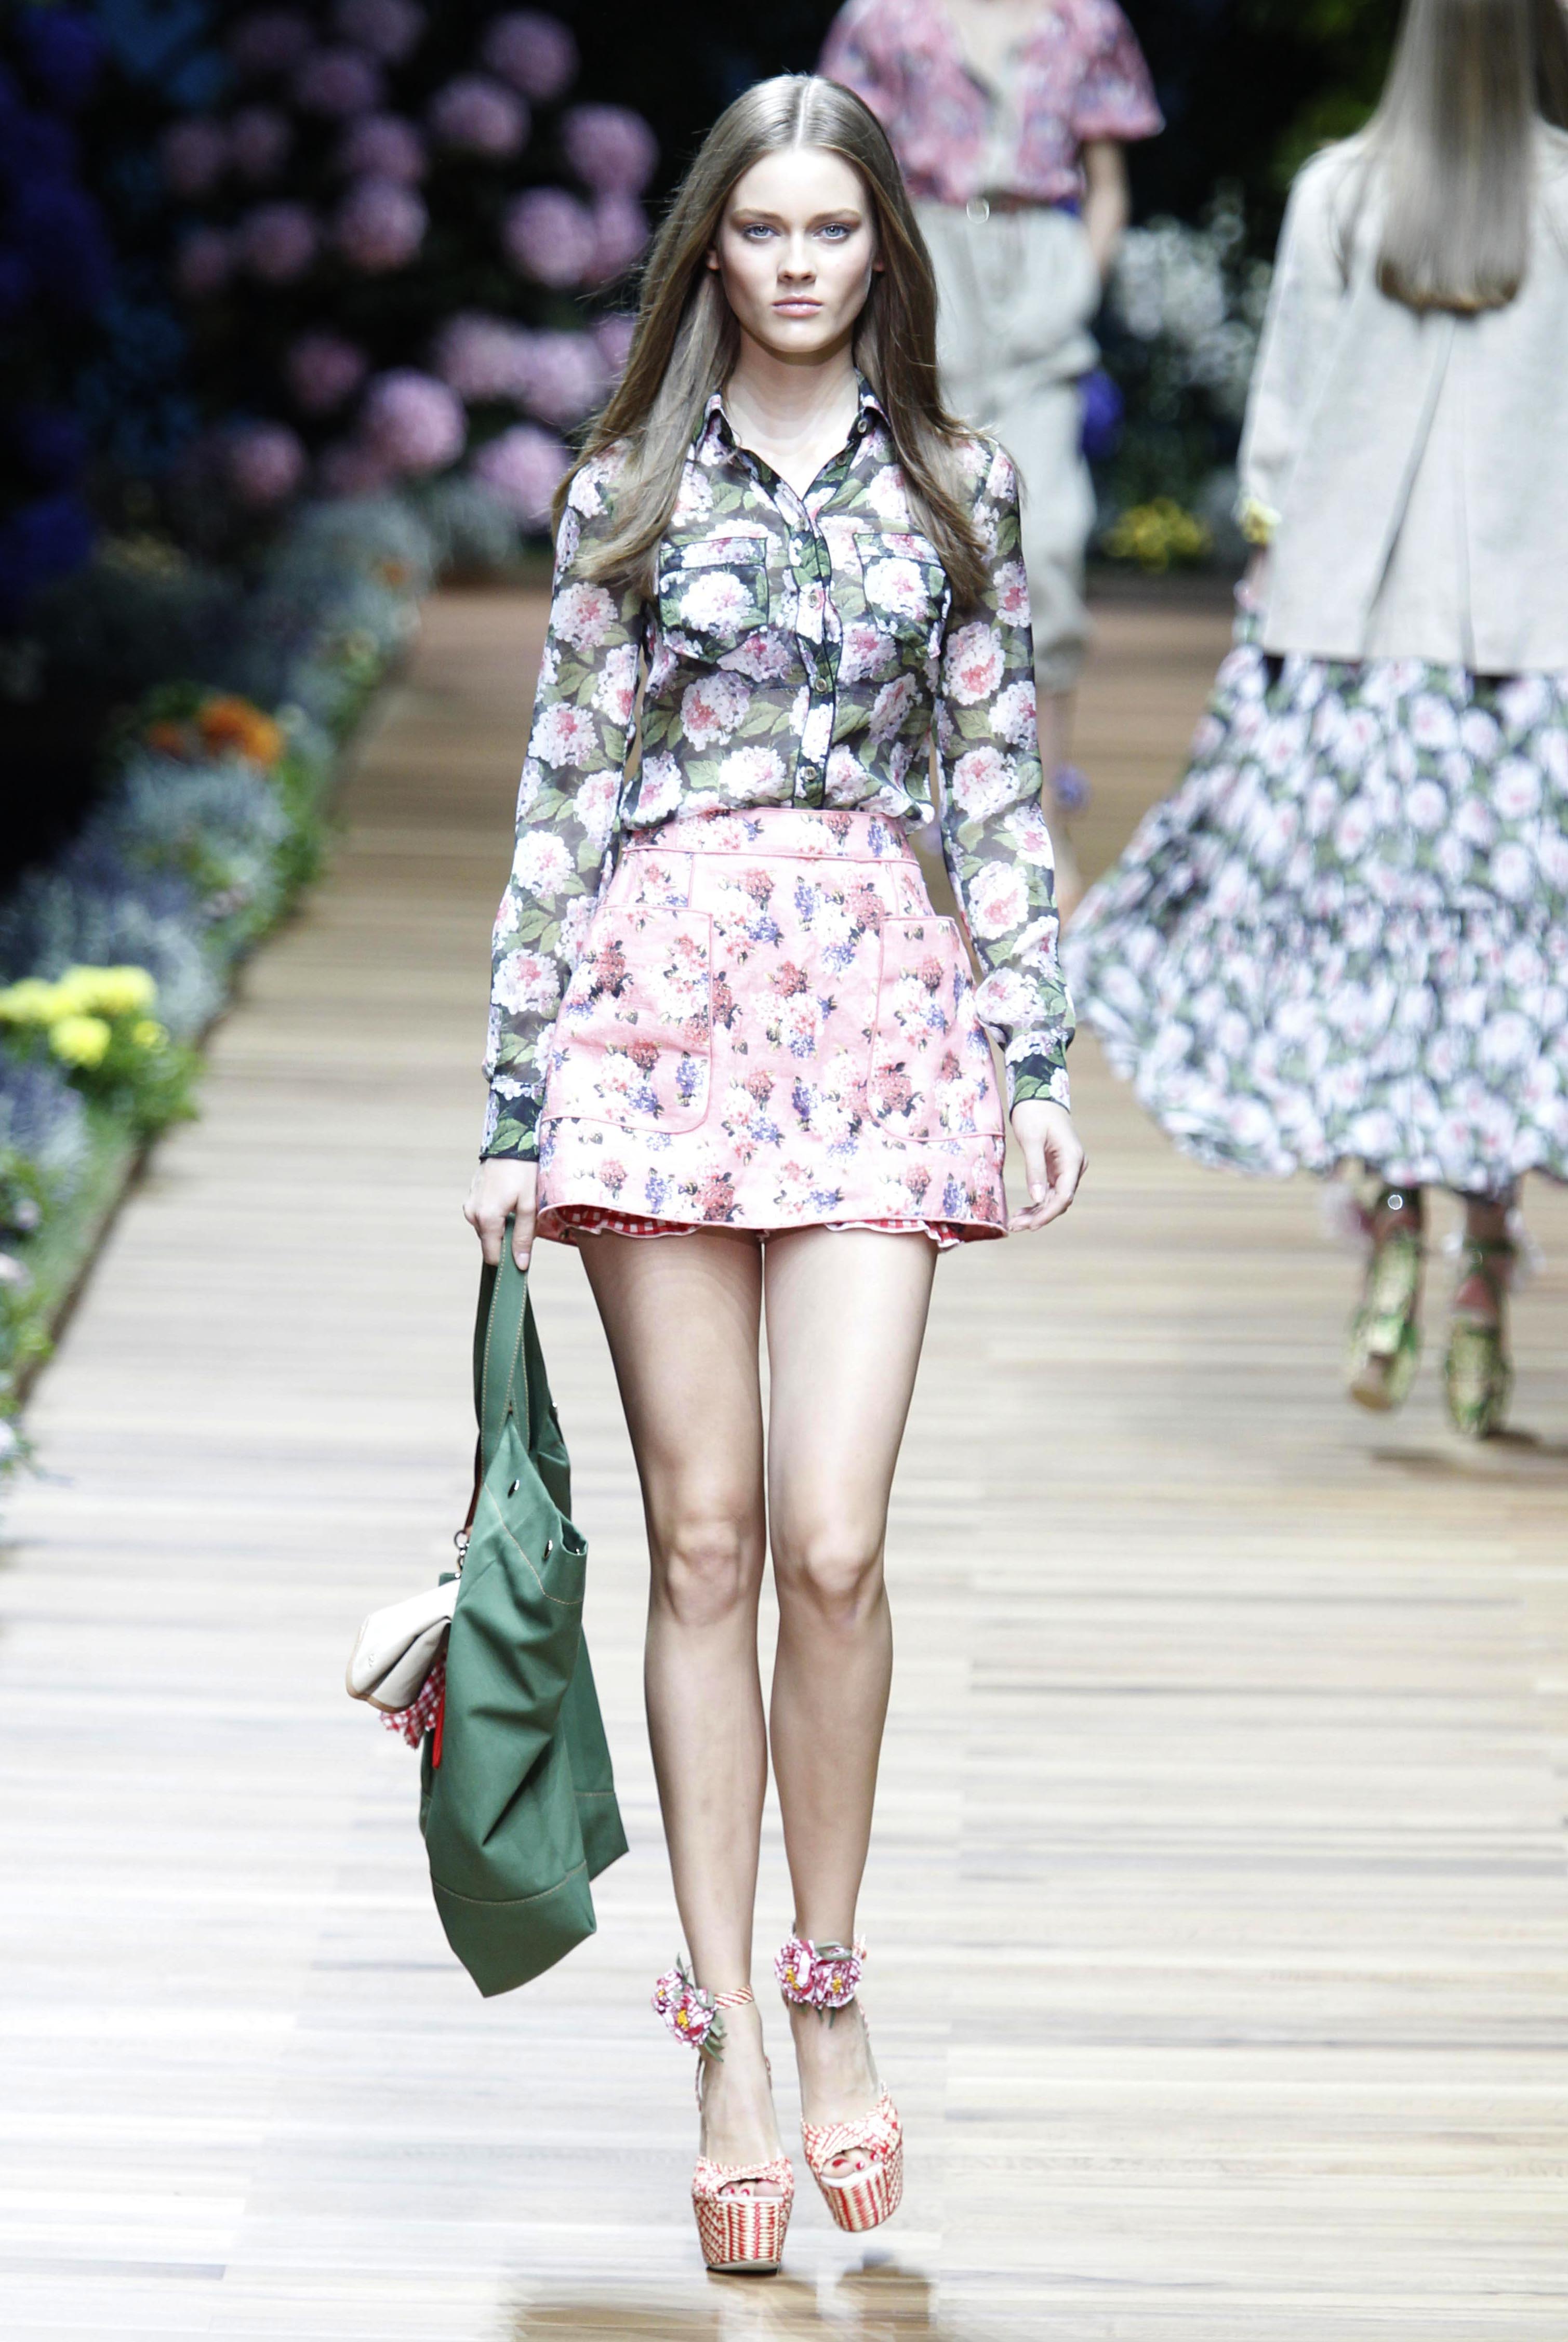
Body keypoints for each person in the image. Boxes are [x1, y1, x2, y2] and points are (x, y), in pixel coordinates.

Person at [464, 74, 1084, 2274]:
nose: (800, 263)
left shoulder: (958, 486)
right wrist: (513, 1107)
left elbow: (996, 774)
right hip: (658, 1011)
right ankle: (720, 2026)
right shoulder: (622, 490)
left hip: (880, 1017)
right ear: (710, 252)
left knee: (833, 1537)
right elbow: (562, 787)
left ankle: (831, 1979)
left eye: (833, 229)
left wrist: (1031, 1050)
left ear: (879, 250)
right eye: (764, 229)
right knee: (706, 1536)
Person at [1065, 0, 1568, 1436]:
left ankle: (1393, 1229)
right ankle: (1485, 1270)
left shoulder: (1343, 192)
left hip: (1352, 641)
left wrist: (1278, 581)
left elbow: (1281, 431)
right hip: (1525, 649)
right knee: (1500, 968)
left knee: (1369, 950)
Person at [821, 0, 1163, 910]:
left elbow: (1108, 179)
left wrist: (1078, 278)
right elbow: (839, 165)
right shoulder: (883, 16)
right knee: (907, 541)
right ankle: (894, 812)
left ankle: (1041, 817)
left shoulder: (1083, 19)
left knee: (1044, 543)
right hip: (922, 263)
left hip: (1038, 261)